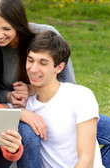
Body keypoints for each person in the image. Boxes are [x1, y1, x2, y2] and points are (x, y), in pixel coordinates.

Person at [0, 0, 110, 168]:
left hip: (57, 105)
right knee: (29, 131)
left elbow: (68, 83)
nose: (0, 34)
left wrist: (34, 90)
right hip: (26, 108)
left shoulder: (45, 35)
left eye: (6, 29)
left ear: (18, 25)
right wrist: (12, 98)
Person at [23, 30, 104, 167]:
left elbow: (86, 160)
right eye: (30, 60)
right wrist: (22, 112)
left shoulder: (80, 96)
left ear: (59, 68)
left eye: (43, 63)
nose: (33, 68)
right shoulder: (26, 103)